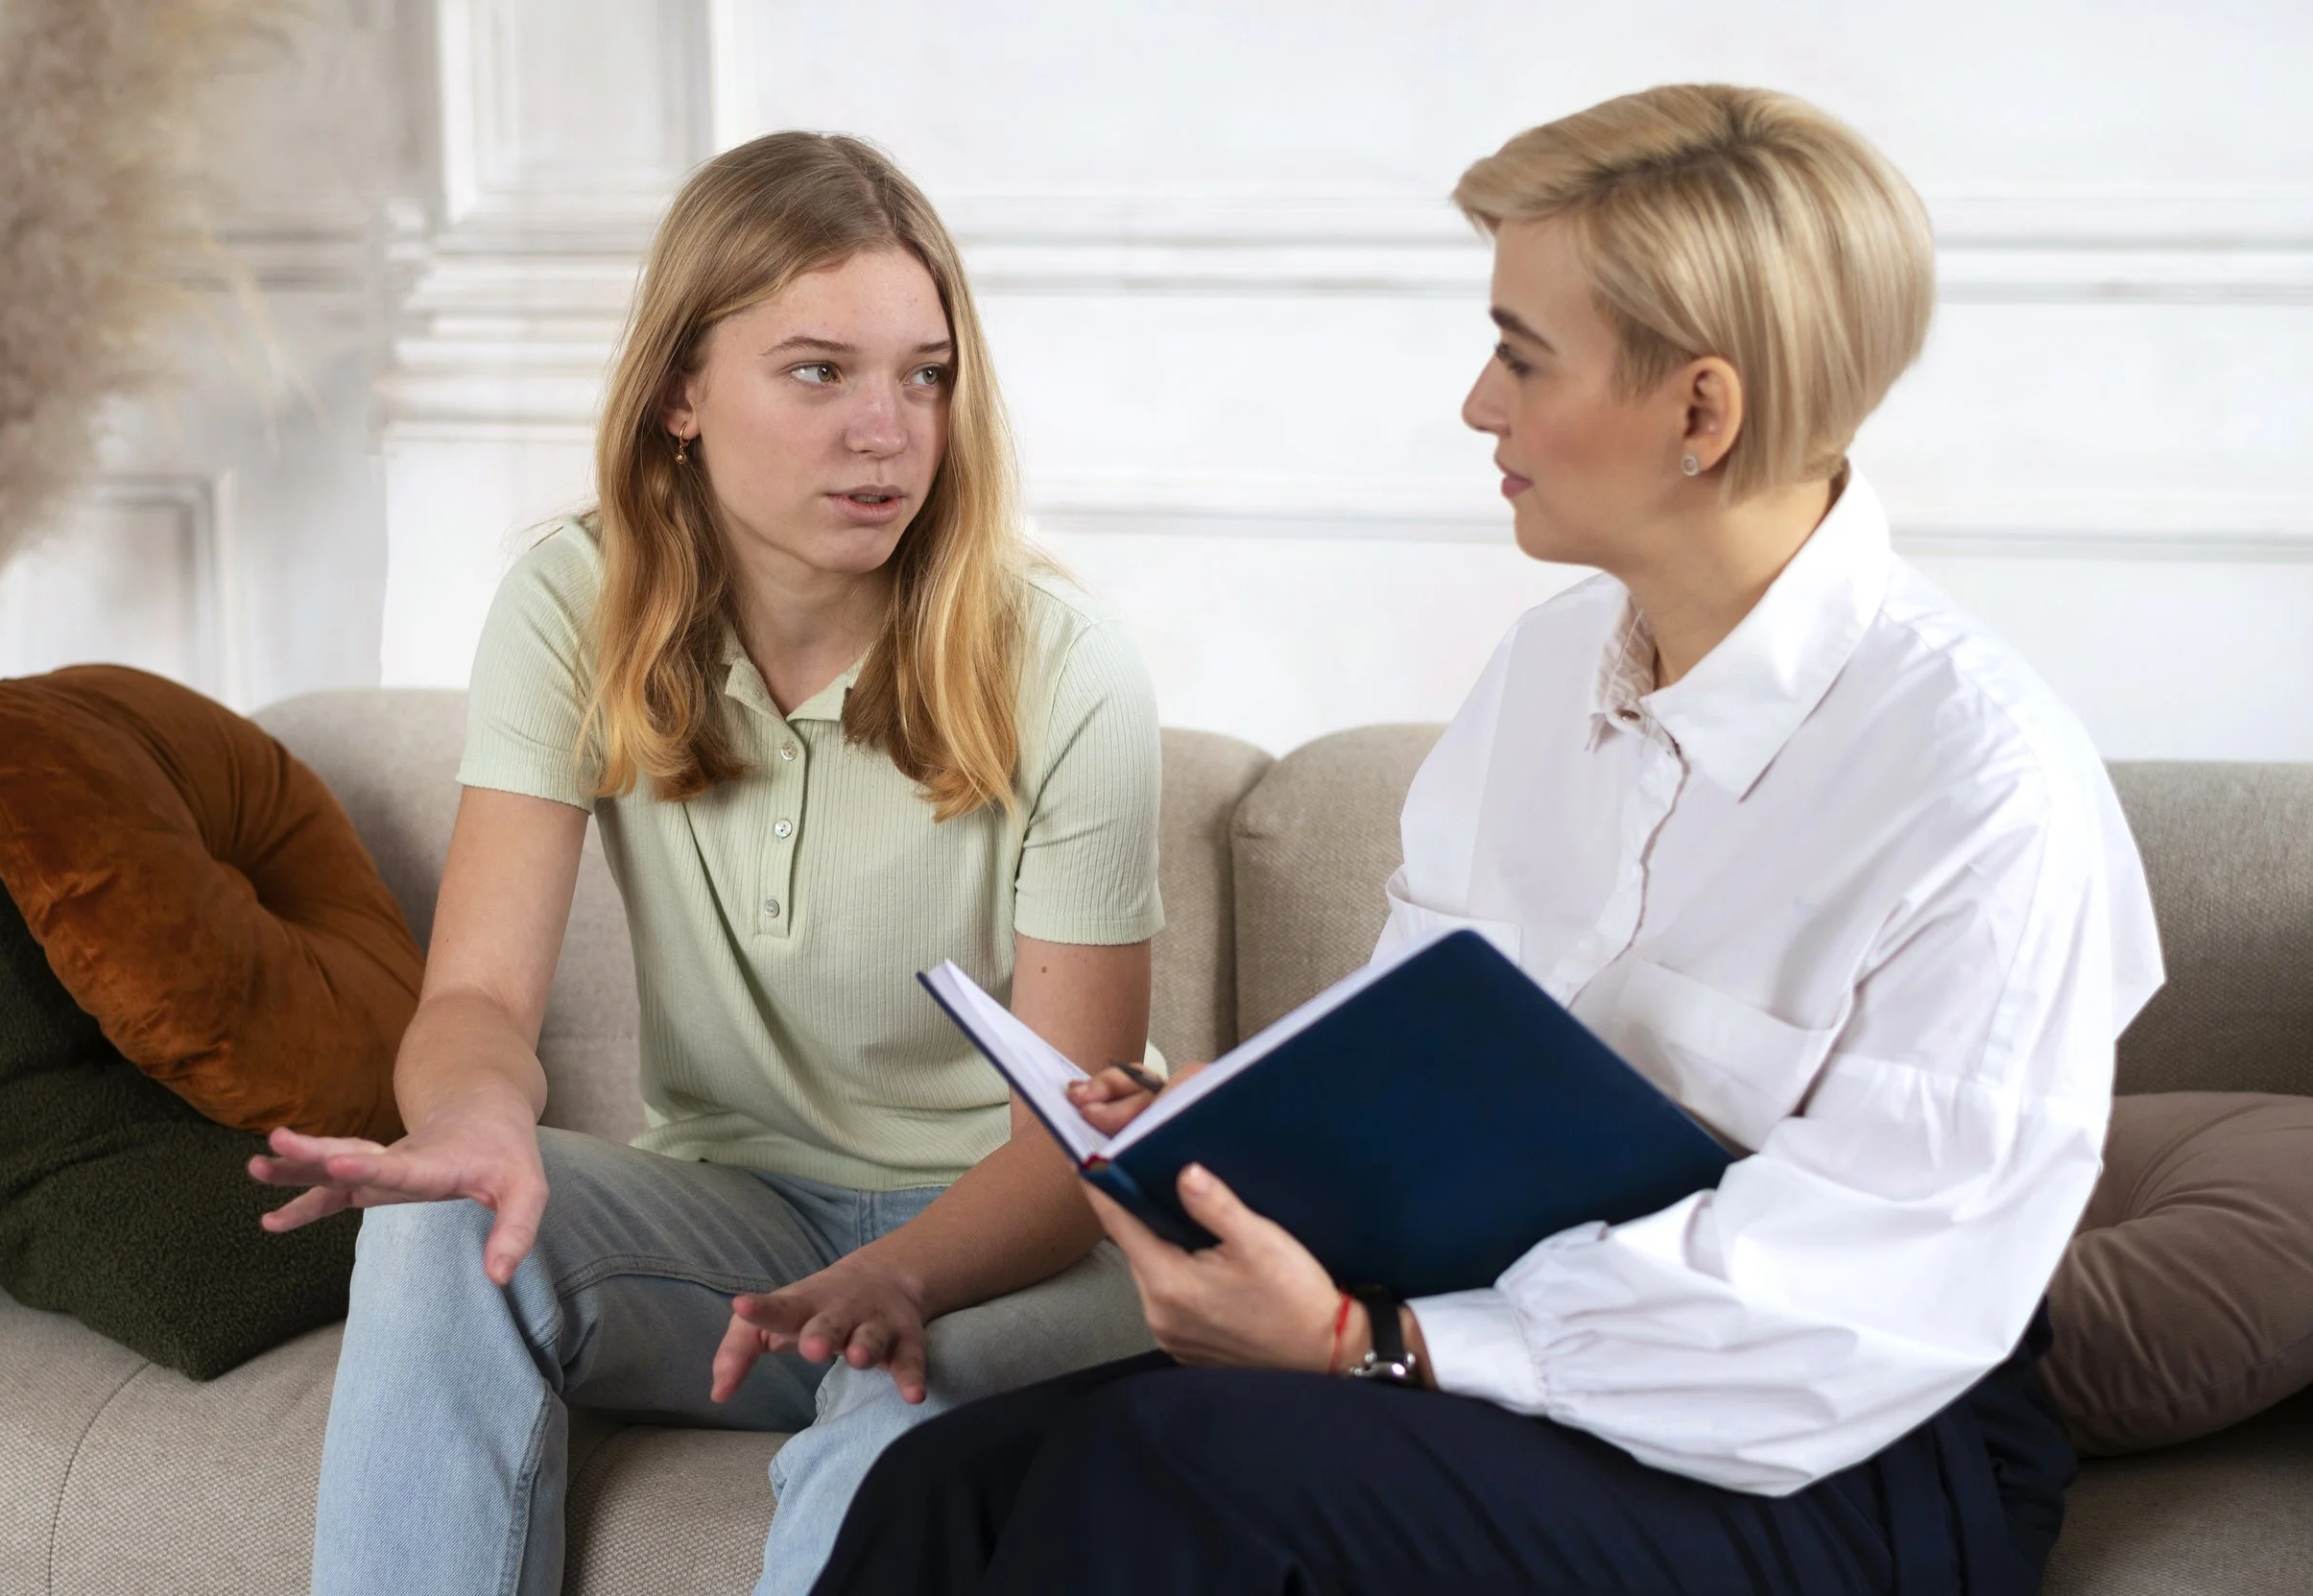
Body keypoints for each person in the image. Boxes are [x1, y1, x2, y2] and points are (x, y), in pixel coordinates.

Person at [810, 84, 2163, 1596]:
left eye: (1522, 355)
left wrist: (1363, 1343)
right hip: (1504, 1374)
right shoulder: (1545, 678)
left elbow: (1855, 1315)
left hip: (1838, 1455)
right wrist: (1223, 1141)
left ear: (1699, 412)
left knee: (1179, 1471)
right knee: (948, 1483)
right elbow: (1405, 1066)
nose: (1478, 403)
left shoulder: (1981, 788)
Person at [249, 131, 1165, 1596]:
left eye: (925, 373)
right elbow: (478, 994)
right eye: (819, 371)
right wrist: (474, 1123)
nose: (889, 430)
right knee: (440, 1227)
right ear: (681, 390)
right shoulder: (575, 602)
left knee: (890, 1388)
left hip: (1029, 1243)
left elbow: (1072, 1139)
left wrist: (895, 1278)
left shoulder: (1064, 661)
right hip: (734, 1214)